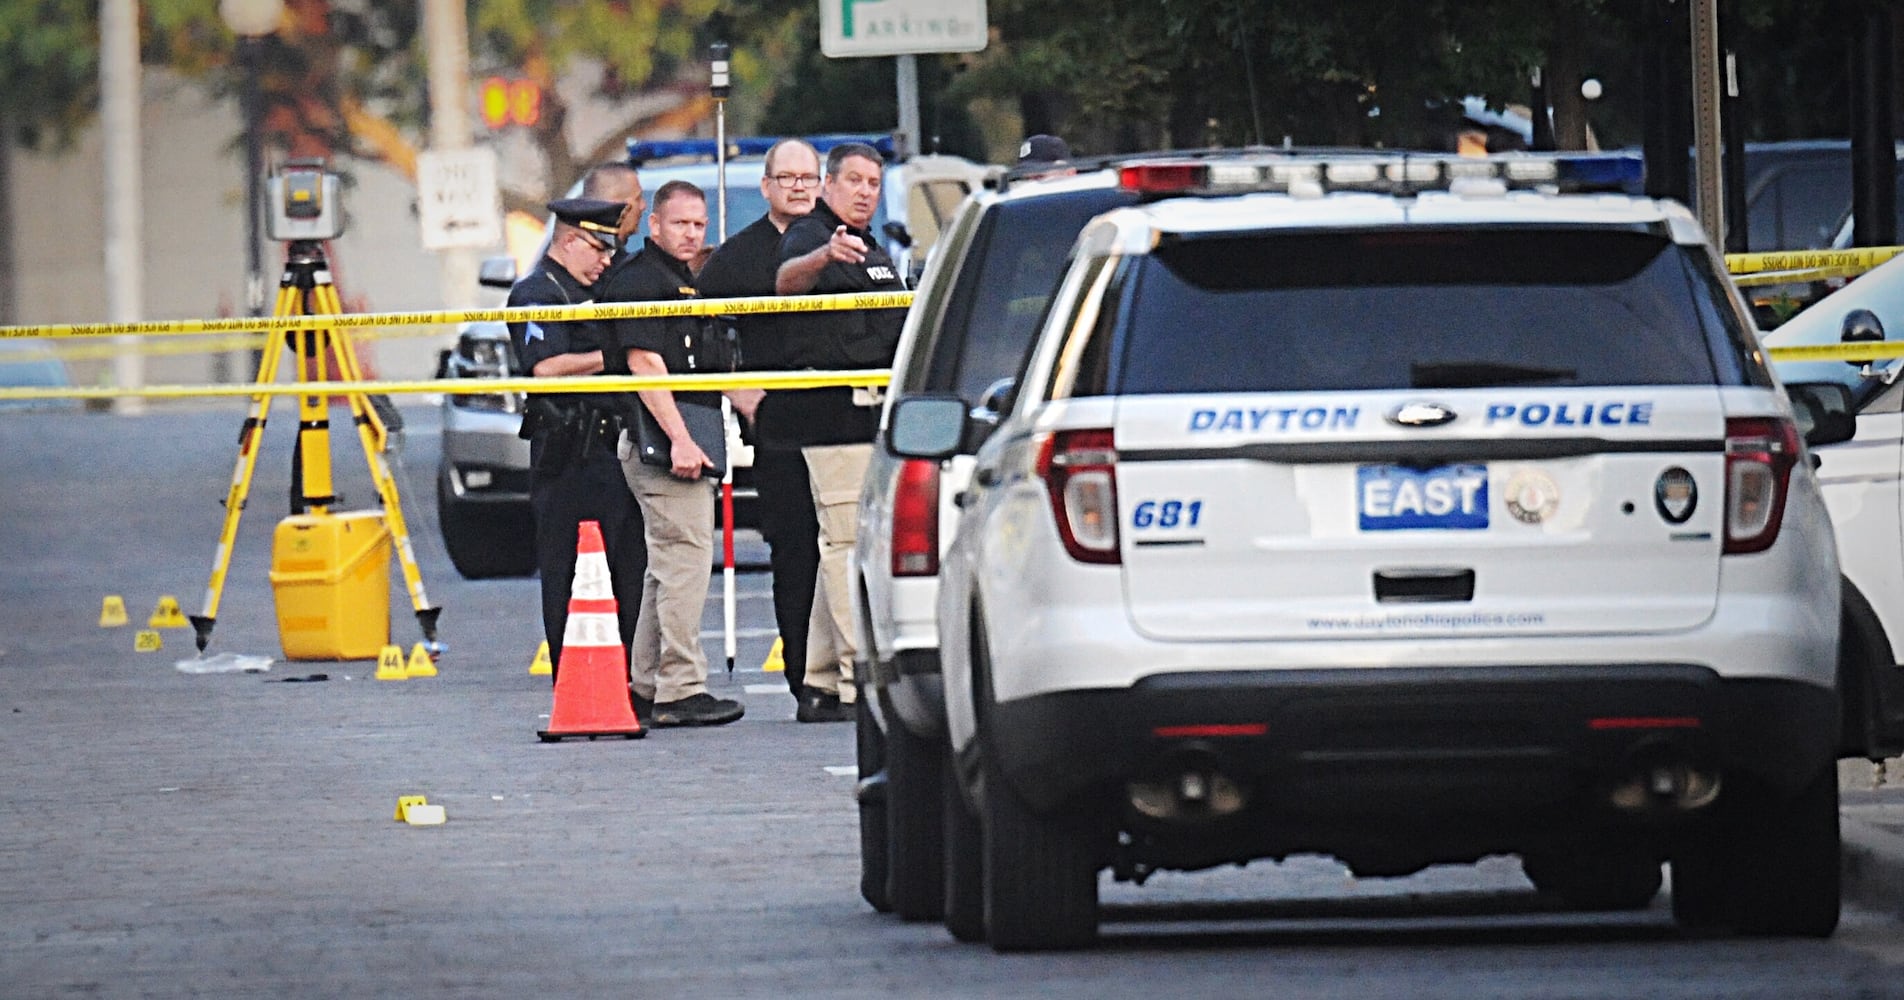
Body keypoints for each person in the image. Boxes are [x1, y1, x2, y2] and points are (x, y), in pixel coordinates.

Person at [599, 179, 746, 728]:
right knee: (683, 564)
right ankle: (680, 688)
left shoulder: (683, 281)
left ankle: (646, 683)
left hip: (682, 437)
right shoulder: (641, 280)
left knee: (667, 569)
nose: (692, 233)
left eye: (699, 224)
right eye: (681, 223)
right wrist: (681, 439)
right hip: (662, 442)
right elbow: (645, 365)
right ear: (654, 224)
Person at [770, 141, 908, 723]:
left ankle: (822, 678)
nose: (863, 192)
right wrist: (824, 256)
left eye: (873, 183)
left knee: (845, 541)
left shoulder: (874, 248)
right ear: (827, 185)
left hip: (868, 412)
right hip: (830, 412)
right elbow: (784, 284)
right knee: (847, 545)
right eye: (852, 180)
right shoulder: (811, 237)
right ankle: (859, 679)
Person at [696, 139, 823, 707]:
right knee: (795, 551)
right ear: (767, 186)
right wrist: (738, 389)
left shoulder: (839, 241)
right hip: (777, 424)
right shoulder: (737, 258)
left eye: (808, 177)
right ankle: (806, 679)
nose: (798, 186)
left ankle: (841, 671)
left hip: (843, 418)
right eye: (786, 177)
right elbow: (696, 331)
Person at [507, 196, 648, 676]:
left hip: (616, 445)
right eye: (598, 249)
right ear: (569, 241)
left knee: (628, 569)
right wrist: (616, 356)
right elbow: (546, 368)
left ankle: (627, 676)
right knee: (570, 573)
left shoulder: (603, 287)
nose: (607, 260)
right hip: (570, 451)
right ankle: (577, 677)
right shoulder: (538, 293)